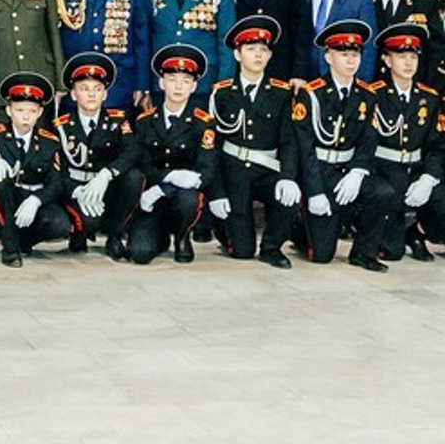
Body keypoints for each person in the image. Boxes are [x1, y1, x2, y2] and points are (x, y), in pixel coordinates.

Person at [293, 20, 397, 272]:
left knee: (383, 193)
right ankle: (298, 228)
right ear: (328, 57)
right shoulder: (311, 93)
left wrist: (358, 172)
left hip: (348, 168)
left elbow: (368, 140)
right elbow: (304, 147)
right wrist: (315, 191)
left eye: (355, 53)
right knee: (321, 255)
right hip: (321, 169)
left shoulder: (367, 94)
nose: (351, 60)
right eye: (343, 53)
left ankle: (363, 252)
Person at [209, 15, 299, 269]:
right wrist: (217, 192)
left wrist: (288, 176)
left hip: (266, 169)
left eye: (263, 50)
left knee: (287, 200)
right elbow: (212, 146)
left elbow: (288, 141)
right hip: (233, 171)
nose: (258, 55)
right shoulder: (222, 92)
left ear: (270, 56)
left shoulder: (281, 93)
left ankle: (271, 248)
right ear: (237, 55)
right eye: (251, 49)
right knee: (242, 251)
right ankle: (223, 229)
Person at [128, 45, 222, 265]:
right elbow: (141, 163)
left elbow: (207, 171)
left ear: (194, 86)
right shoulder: (145, 121)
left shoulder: (203, 123)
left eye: (186, 81)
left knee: (189, 199)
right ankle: (159, 236)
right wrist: (166, 178)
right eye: (172, 79)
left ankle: (182, 236)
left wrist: (165, 186)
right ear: (161, 83)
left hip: (180, 198)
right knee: (139, 254)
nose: (178, 86)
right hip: (152, 199)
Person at [52, 52, 142, 261]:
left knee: (134, 177)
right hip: (75, 187)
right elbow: (57, 168)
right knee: (89, 222)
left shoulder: (118, 121)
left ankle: (115, 235)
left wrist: (107, 174)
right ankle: (79, 232)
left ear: (105, 95)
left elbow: (132, 151)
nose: (91, 95)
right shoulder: (62, 126)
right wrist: (74, 190)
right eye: (84, 89)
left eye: (97, 89)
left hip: (106, 186)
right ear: (73, 94)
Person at [368, 23, 445, 262]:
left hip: (416, 170)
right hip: (384, 170)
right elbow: (367, 144)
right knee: (392, 253)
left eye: (413, 56)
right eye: (401, 56)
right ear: (387, 60)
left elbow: (437, 146)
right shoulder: (374, 94)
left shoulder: (429, 98)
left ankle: (419, 232)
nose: (408, 62)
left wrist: (428, 179)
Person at [0, 72, 68, 267]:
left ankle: (24, 242)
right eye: (19, 110)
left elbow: (56, 182)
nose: (26, 116)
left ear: (40, 113)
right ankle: (10, 247)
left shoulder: (49, 142)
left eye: (32, 111)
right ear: (9, 111)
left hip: (33, 201)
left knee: (59, 223)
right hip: (4, 203)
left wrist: (36, 200)